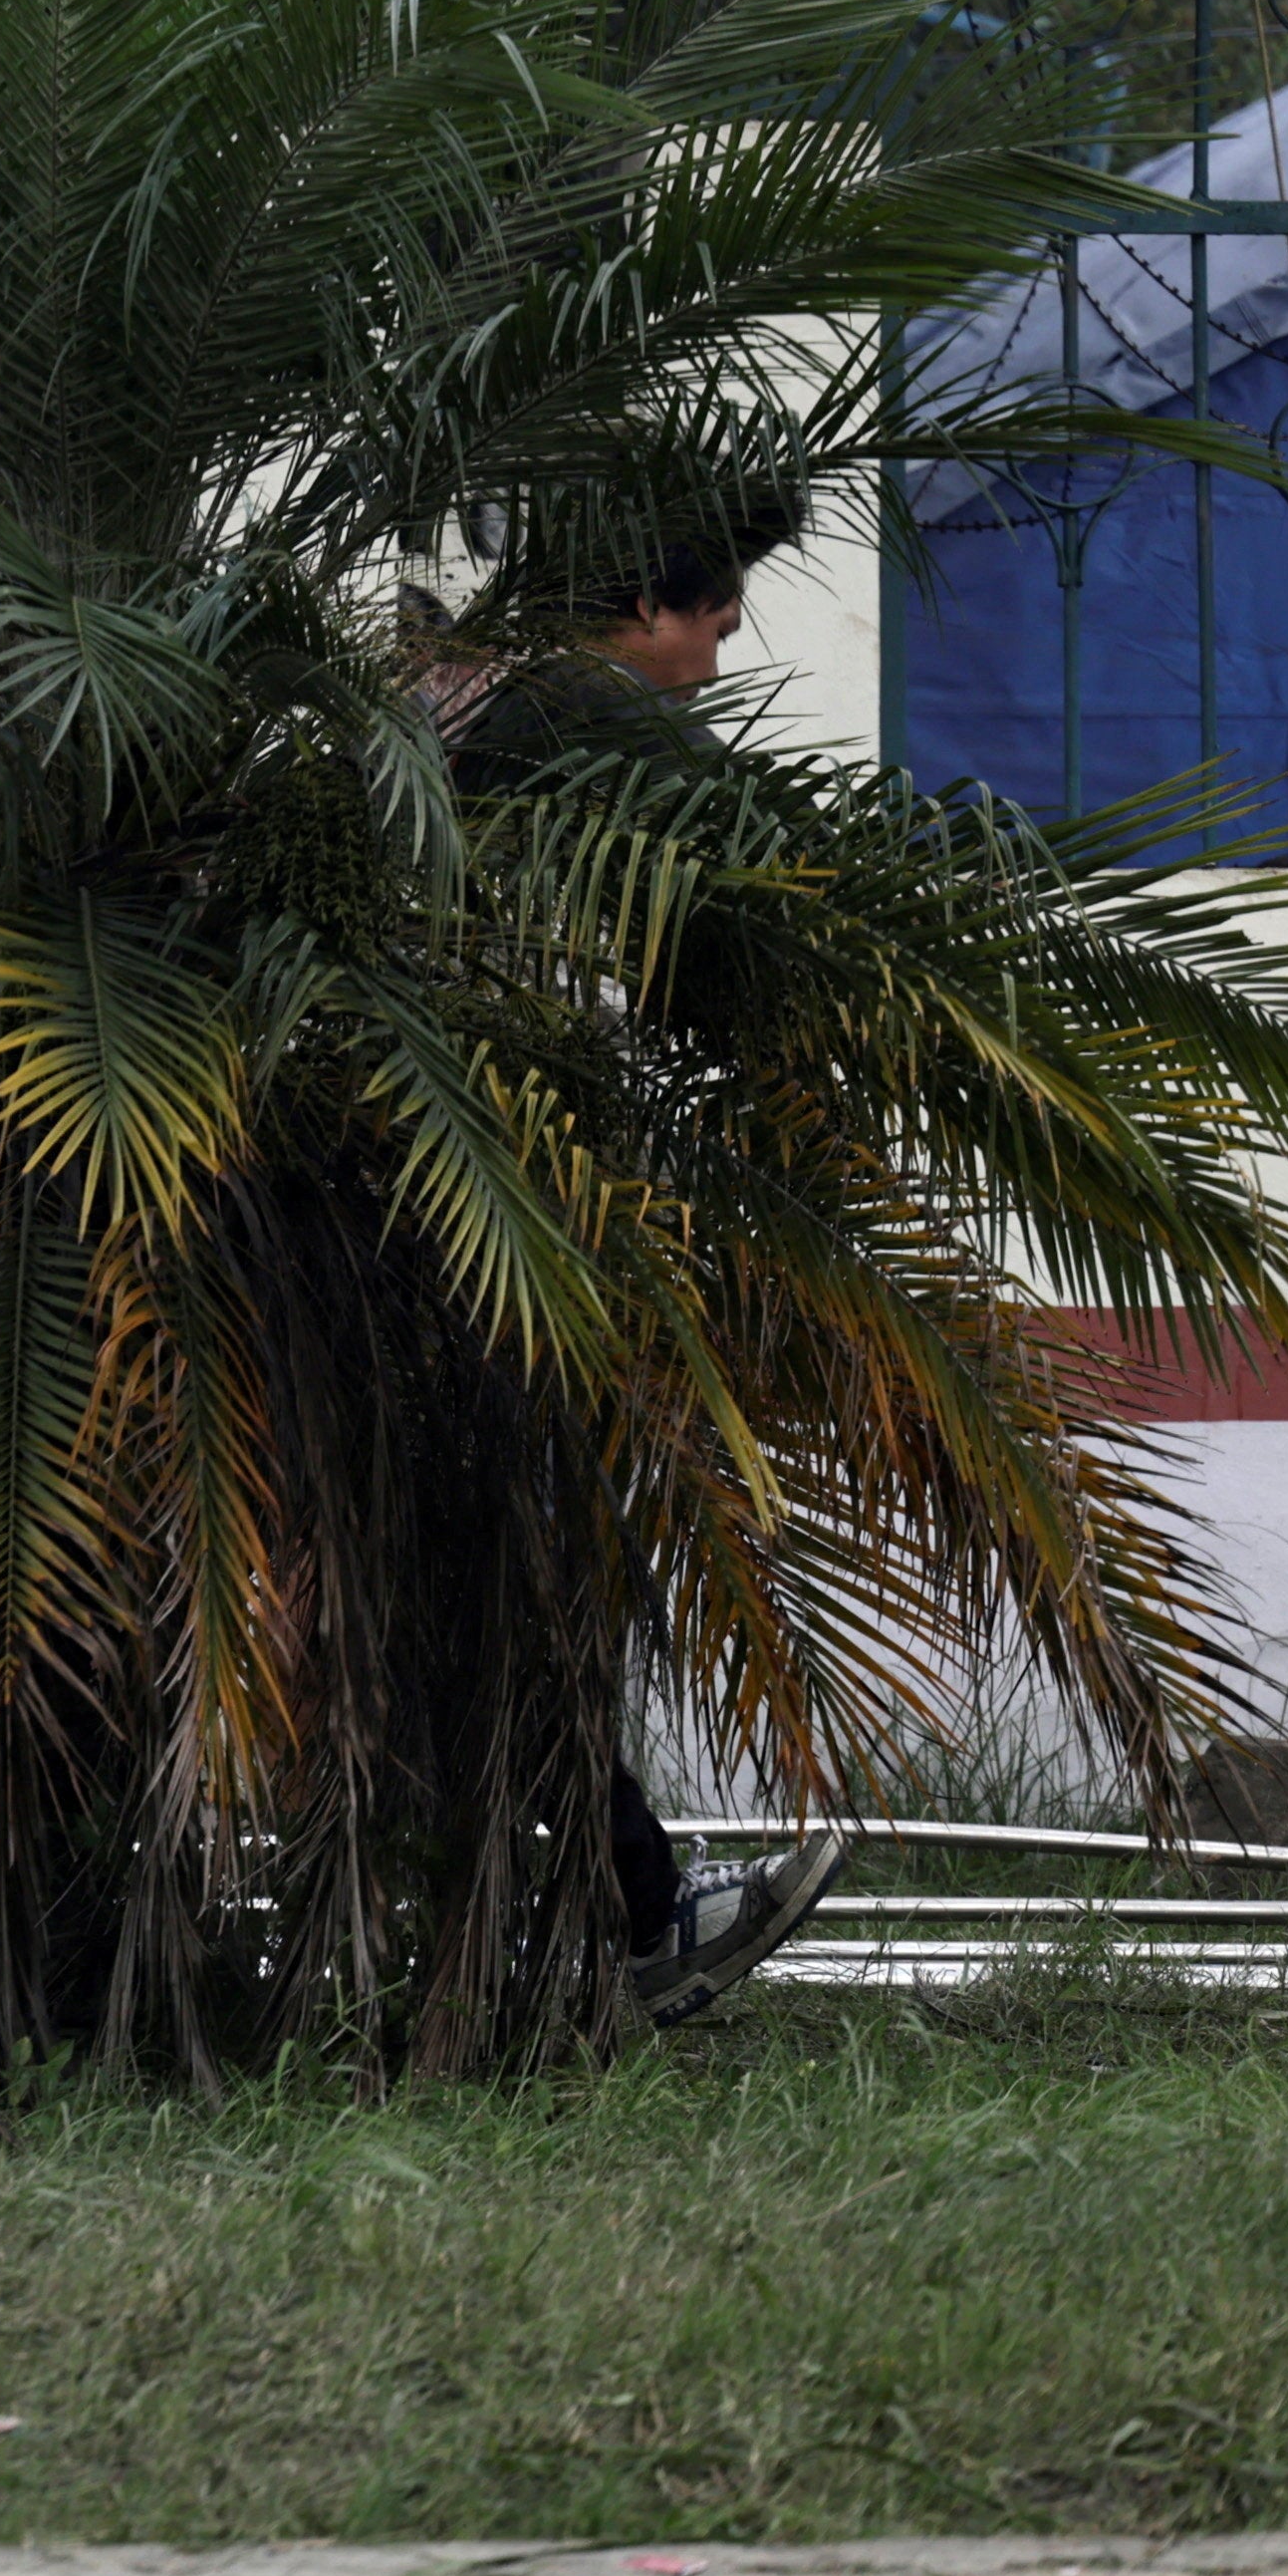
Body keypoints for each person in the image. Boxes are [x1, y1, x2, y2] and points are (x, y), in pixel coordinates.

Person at [540, 518, 866, 2025]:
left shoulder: (508, 722)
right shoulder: (578, 739)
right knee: (524, 1605)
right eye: (716, 620)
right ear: (645, 607)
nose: (721, 655)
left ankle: (626, 1909)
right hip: (524, 1240)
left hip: (540, 1230)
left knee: (532, 1607)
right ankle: (637, 1918)